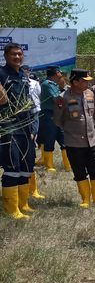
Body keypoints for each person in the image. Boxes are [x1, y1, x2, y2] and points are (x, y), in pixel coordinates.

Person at [53, 69, 95, 208]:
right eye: (84, 81)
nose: (88, 83)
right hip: (74, 142)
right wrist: (72, 128)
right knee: (79, 171)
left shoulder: (90, 94)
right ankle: (86, 200)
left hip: (92, 140)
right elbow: (58, 120)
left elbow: (93, 113)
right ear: (75, 81)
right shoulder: (62, 98)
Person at [0, 43, 35, 219]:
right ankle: (11, 209)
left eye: (20, 54)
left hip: (25, 126)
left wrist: (32, 127)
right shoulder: (1, 74)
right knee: (12, 166)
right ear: (6, 56)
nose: (17, 57)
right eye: (14, 54)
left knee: (27, 165)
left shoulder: (23, 74)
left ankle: (23, 204)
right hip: (8, 126)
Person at [39, 66, 71, 172]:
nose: (61, 74)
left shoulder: (54, 84)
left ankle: (68, 165)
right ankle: (49, 165)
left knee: (64, 139)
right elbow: (57, 99)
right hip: (49, 115)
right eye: (59, 72)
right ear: (55, 73)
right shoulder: (47, 84)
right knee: (49, 139)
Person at [23, 67, 44, 199]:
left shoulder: (34, 83)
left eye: (26, 71)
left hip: (33, 114)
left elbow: (38, 97)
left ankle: (33, 190)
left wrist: (34, 131)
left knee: (30, 152)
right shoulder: (10, 82)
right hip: (17, 118)